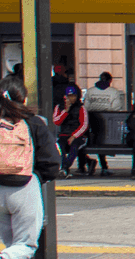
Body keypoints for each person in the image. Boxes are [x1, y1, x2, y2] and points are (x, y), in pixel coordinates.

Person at [0, 75, 61, 259]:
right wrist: (38, 177)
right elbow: (52, 162)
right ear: (24, 98)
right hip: (25, 186)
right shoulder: (34, 122)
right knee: (24, 246)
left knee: (11, 244)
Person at [52, 86, 90, 178]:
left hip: (78, 135)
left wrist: (74, 136)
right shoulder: (59, 107)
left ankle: (64, 168)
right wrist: (65, 111)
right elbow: (56, 121)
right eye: (69, 96)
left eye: (73, 96)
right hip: (64, 134)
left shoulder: (81, 108)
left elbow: (84, 125)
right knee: (60, 146)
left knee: (74, 146)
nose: (71, 98)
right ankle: (64, 168)